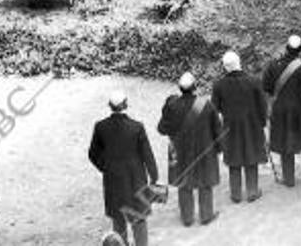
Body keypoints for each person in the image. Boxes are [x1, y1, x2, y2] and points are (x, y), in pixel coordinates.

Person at [91, 90, 159, 246]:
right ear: (126, 104)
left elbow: (93, 153)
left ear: (110, 106)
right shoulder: (137, 127)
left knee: (118, 217)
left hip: (113, 179)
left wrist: (105, 167)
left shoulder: (101, 127)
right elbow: (147, 154)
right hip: (136, 178)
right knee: (138, 216)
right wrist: (154, 175)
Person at [157, 72, 223, 227]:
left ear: (180, 88)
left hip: (180, 151)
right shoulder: (206, 104)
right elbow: (217, 129)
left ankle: (187, 218)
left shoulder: (171, 106)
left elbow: (161, 129)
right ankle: (206, 215)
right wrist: (219, 148)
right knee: (205, 181)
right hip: (204, 149)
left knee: (184, 184)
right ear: (195, 87)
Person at [211, 51, 268, 204]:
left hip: (230, 125)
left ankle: (236, 194)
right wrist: (262, 123)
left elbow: (214, 109)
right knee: (251, 156)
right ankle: (252, 191)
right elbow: (262, 106)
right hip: (252, 124)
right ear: (239, 63)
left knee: (233, 158)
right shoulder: (254, 81)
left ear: (225, 67)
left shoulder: (218, 85)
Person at [262, 35, 301, 187]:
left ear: (286, 48)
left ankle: (289, 179)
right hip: (300, 112)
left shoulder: (273, 65)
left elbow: (266, 88)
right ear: (300, 50)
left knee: (285, 144)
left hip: (280, 111)